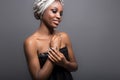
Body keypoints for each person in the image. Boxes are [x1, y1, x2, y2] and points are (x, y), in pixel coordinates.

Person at [24, 0, 78, 80]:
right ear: (42, 11)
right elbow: (38, 78)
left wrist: (65, 63)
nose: (59, 16)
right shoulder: (31, 42)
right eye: (54, 11)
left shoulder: (63, 37)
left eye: (61, 13)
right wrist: (54, 49)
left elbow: (75, 67)